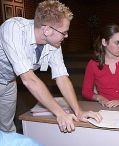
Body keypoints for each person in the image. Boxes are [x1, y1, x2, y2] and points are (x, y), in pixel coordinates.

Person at [0, 0, 102, 133]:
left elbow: (62, 77)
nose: (66, 35)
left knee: (6, 129)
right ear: (47, 30)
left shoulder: (53, 43)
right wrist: (60, 113)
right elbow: (29, 80)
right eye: (64, 32)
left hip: (8, 82)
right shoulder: (13, 29)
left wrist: (78, 111)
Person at [82, 24, 119, 108]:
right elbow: (86, 91)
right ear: (104, 42)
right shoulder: (93, 64)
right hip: (104, 107)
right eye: (117, 42)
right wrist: (99, 98)